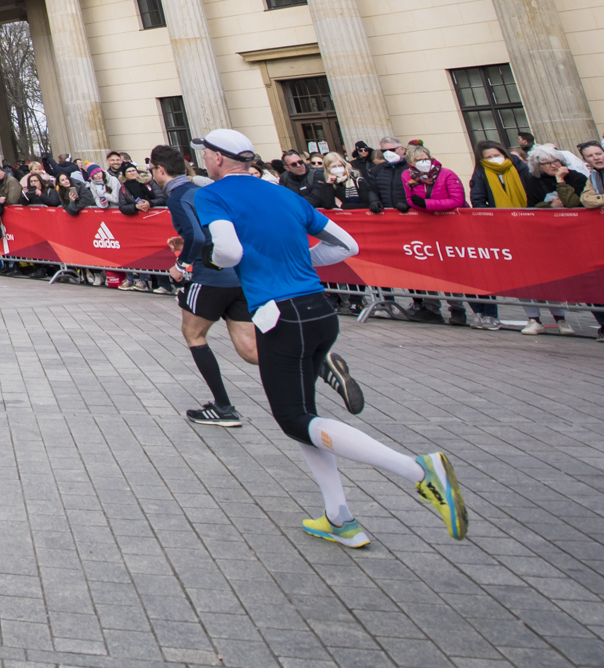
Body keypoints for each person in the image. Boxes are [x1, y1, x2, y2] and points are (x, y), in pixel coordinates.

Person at [192, 129, 463, 550]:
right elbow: (347, 245)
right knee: (306, 418)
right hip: (319, 310)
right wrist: (302, 260)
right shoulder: (284, 193)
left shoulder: (213, 195)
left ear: (216, 159)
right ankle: (339, 517)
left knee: (295, 420)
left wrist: (211, 257)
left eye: (205, 154)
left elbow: (227, 252)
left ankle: (418, 470)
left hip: (280, 314)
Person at [149, 145, 261, 427]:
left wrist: (181, 264)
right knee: (250, 349)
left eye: (152, 170)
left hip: (210, 276)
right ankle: (316, 361)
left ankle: (223, 407)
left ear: (161, 170)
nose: (152, 175)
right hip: (236, 275)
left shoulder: (177, 197)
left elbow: (198, 237)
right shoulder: (204, 191)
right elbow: (214, 231)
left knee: (193, 334)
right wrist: (189, 242)